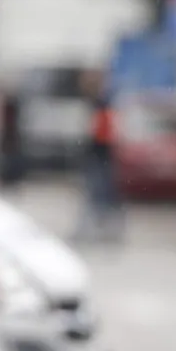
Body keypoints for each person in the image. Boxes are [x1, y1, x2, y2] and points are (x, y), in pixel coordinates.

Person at [73, 70, 125, 243]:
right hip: (100, 154)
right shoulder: (100, 103)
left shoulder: (103, 104)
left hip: (100, 154)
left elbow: (102, 134)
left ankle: (101, 231)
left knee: (100, 194)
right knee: (100, 195)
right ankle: (103, 230)